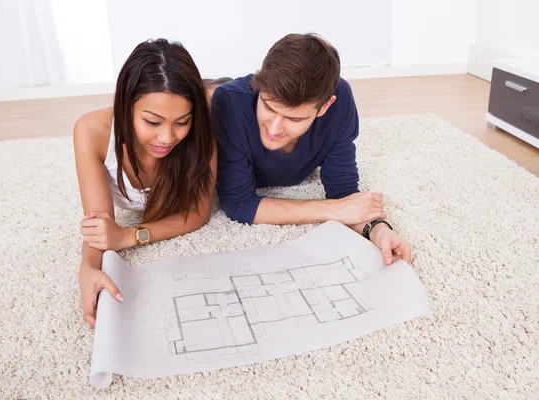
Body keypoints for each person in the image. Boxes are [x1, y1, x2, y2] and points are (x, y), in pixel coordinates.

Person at [210, 33, 411, 266]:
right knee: (209, 95)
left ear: (325, 106)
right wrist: (333, 210)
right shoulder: (230, 102)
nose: (274, 128)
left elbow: (343, 190)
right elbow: (238, 204)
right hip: (222, 94)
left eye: (293, 119)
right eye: (268, 107)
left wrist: (377, 229)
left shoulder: (341, 98)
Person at [73, 39, 217, 328]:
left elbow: (198, 214)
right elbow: (99, 224)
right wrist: (87, 269)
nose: (167, 138)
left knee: (227, 93)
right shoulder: (91, 131)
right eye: (153, 122)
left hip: (219, 92)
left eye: (181, 122)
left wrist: (130, 236)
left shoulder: (205, 124)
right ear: (125, 105)